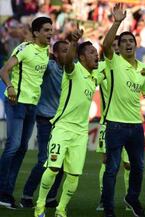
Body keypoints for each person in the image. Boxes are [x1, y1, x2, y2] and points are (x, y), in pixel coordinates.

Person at [100, 4, 145, 217]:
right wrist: (116, 22)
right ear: (119, 47)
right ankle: (109, 209)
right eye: (124, 42)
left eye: (131, 41)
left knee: (139, 167)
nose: (128, 44)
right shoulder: (113, 62)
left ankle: (132, 197)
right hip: (114, 123)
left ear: (136, 44)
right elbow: (105, 46)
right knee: (112, 169)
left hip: (135, 125)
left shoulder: (143, 67)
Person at [34, 29, 104, 217]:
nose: (96, 55)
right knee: (54, 167)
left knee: (74, 174)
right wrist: (73, 42)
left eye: (96, 52)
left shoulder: (94, 77)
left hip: (81, 133)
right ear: (81, 58)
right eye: (91, 52)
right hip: (62, 127)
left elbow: (111, 60)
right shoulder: (73, 71)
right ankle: (40, 204)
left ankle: (61, 209)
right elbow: (67, 62)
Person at [0, 16, 53, 209]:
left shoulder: (46, 51)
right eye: (46, 30)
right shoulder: (24, 48)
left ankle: (7, 193)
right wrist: (11, 86)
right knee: (13, 146)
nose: (50, 33)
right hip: (16, 102)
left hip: (32, 106)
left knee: (22, 148)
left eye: (51, 29)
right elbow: (4, 70)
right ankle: (2, 192)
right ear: (36, 32)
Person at [19, 41, 69, 208]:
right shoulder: (50, 67)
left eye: (69, 51)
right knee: (44, 160)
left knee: (60, 163)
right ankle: (26, 195)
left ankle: (50, 198)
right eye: (63, 51)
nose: (67, 54)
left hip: (61, 122)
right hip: (46, 119)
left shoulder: (72, 69)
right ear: (55, 54)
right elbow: (36, 64)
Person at [96, 35, 132, 212]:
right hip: (108, 122)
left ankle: (128, 199)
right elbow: (91, 81)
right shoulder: (103, 67)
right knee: (107, 162)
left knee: (129, 164)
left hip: (129, 122)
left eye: (120, 45)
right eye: (115, 45)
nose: (117, 48)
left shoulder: (131, 68)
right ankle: (104, 199)